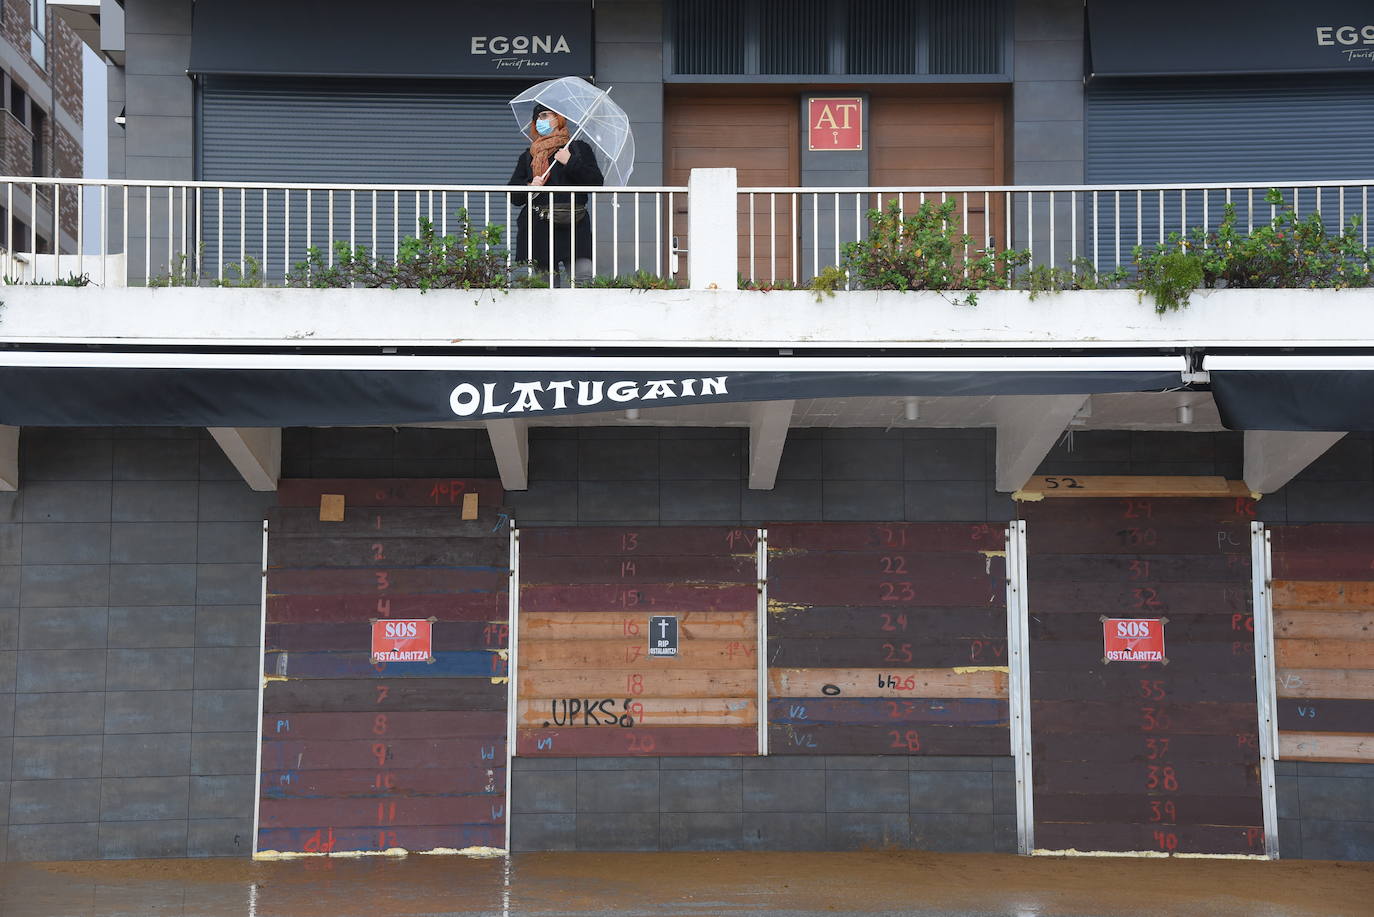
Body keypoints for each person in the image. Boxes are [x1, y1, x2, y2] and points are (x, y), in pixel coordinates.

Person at [508, 103, 604, 285]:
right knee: (546, 285)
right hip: (541, 227)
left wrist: (570, 161)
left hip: (575, 224)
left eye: (545, 115)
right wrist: (529, 186)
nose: (540, 121)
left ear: (558, 118)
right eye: (538, 118)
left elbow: (596, 182)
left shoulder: (578, 149)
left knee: (583, 277)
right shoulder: (528, 156)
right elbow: (514, 196)